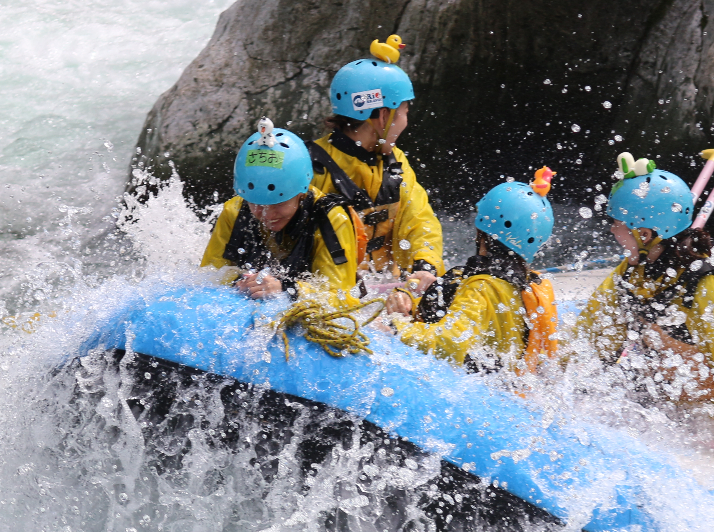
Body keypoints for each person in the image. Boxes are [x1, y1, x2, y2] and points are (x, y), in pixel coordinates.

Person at [575, 157, 714, 458]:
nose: (611, 232)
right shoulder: (631, 273)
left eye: (617, 226)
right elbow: (590, 334)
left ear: (644, 235)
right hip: (665, 395)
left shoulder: (706, 289)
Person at [384, 168, 558, 374]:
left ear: (481, 230)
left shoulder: (481, 289)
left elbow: (446, 343)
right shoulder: (531, 283)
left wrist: (393, 327)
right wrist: (411, 292)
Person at [310, 38, 445, 295]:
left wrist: (425, 265)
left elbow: (420, 220)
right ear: (384, 115)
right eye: (404, 112)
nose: (406, 122)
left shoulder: (396, 162)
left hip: (386, 291)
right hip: (332, 294)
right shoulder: (312, 167)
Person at [201, 121, 360, 309]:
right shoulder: (234, 212)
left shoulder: (331, 219)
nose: (267, 214)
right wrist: (240, 281)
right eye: (256, 203)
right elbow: (208, 277)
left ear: (301, 193)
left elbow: (342, 298)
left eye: (278, 203)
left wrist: (286, 288)